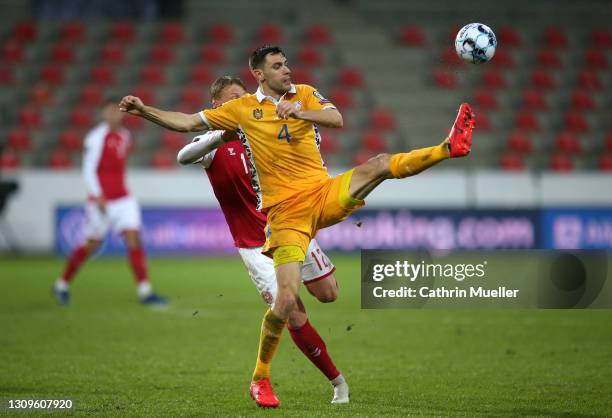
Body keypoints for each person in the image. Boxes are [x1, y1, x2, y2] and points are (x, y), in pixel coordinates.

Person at [119, 45, 475, 408]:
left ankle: (449, 147)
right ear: (259, 74)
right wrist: (144, 111)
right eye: (277, 65)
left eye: (286, 63)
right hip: (285, 218)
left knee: (379, 164)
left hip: (321, 195)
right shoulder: (240, 114)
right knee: (288, 301)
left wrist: (300, 111)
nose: (286, 69)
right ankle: (261, 378)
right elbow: (186, 124)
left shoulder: (303, 93)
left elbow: (336, 119)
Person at [177, 75, 349, 404]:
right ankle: (337, 383)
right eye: (231, 100)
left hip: (289, 224)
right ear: (217, 107)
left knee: (328, 294)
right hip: (255, 246)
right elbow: (183, 155)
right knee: (291, 310)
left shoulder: (262, 133)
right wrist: (217, 135)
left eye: (243, 97)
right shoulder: (214, 146)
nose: (242, 104)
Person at [53, 98, 167, 306]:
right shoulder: (96, 137)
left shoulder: (125, 136)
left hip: (123, 198)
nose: (115, 114)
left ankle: (145, 291)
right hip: (101, 200)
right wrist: (98, 195)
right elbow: (88, 170)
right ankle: (62, 284)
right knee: (92, 244)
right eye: (110, 110)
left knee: (133, 237)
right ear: (103, 113)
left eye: (118, 110)